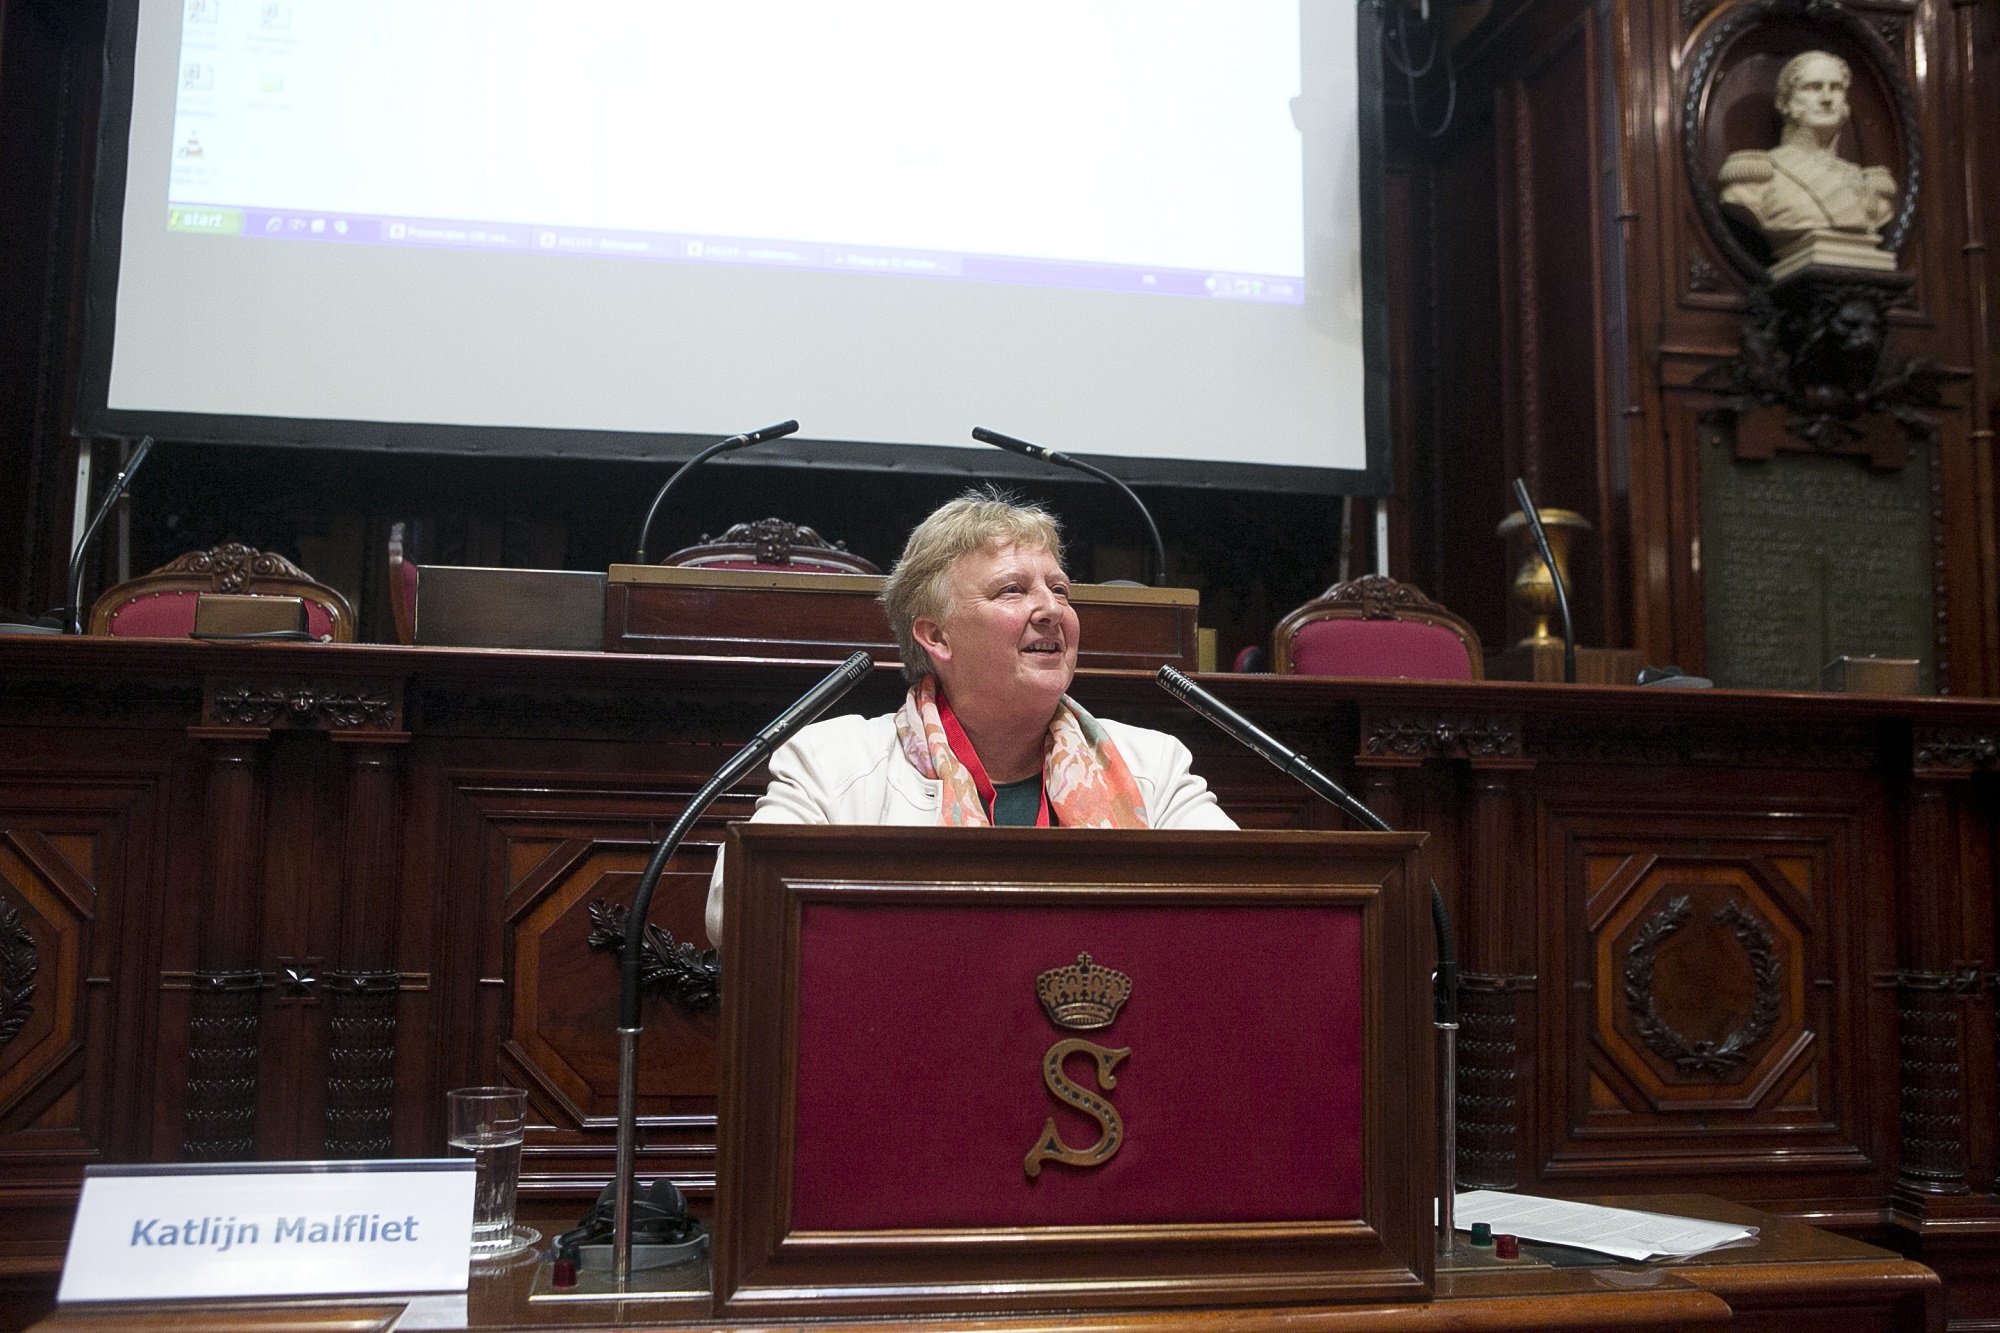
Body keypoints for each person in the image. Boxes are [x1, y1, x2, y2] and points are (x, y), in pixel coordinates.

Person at [705, 489, 1235, 946]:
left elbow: (1241, 905)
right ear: (936, 636)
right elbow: (737, 912)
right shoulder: (832, 763)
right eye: (1013, 590)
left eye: (1059, 589)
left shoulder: (1153, 764)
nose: (1051, 609)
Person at [1717, 50, 1896, 251]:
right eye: (1813, 87)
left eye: (1835, 88)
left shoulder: (1868, 186)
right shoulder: (1756, 181)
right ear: (1784, 103)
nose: (1827, 98)